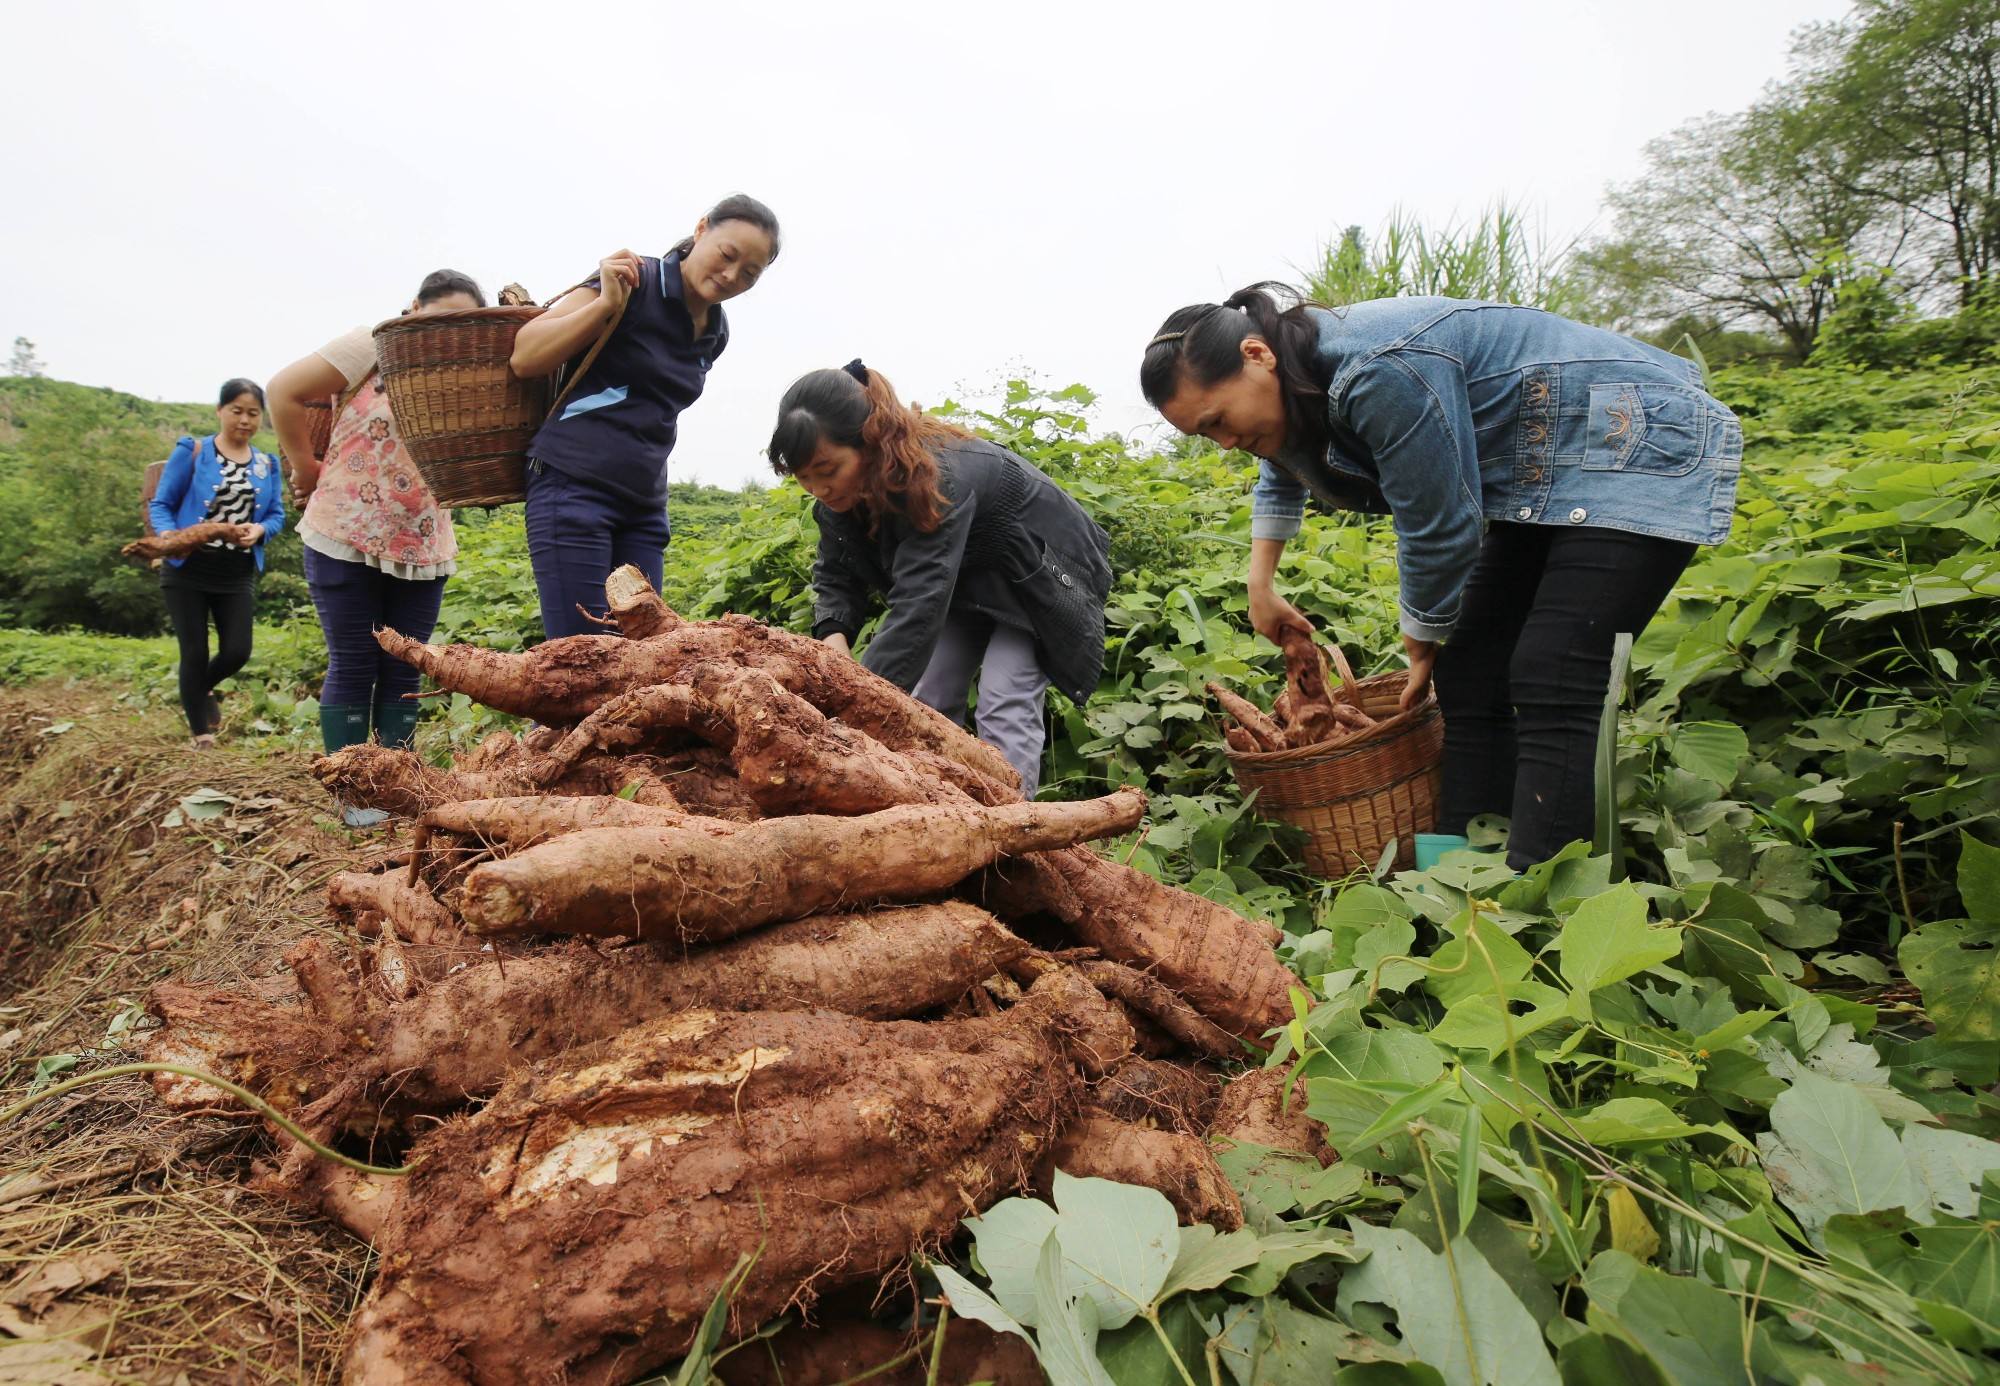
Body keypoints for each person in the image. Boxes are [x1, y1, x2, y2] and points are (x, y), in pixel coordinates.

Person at [1140, 286, 1743, 873]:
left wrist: (1421, 640)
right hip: (1540, 472)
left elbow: (1440, 527)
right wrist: (1260, 583)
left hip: (1633, 436)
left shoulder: (1378, 368)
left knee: (1554, 672)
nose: (1226, 442)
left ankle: (1541, 902)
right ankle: (1457, 877)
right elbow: (1281, 461)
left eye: (1219, 419)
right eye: (1205, 435)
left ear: (1255, 355)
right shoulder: (1290, 380)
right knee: (1472, 672)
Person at [767, 361, 1113, 796]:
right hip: (968, 581)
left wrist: (852, 707)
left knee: (1004, 699)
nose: (820, 489)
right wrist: (833, 634)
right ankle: (942, 807)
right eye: (804, 479)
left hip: (1040, 576)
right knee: (929, 694)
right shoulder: (840, 500)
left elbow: (918, 606)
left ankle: (1014, 830)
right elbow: (835, 574)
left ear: (868, 443)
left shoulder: (936, 477)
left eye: (828, 470)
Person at [268, 270, 485, 827]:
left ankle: (398, 792)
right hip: (345, 532)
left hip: (423, 543)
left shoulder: (464, 373)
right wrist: (304, 466)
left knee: (404, 666)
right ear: (413, 309)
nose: (446, 333)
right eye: (439, 318)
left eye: (462, 324)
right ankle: (353, 797)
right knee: (356, 661)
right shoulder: (370, 345)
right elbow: (283, 391)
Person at [509, 194, 780, 639]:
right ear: (701, 229)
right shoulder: (635, 280)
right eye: (727, 255)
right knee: (583, 662)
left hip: (644, 508)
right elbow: (525, 355)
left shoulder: (716, 330)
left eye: (749, 273)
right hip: (572, 487)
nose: (731, 276)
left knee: (643, 660)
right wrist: (604, 307)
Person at [148, 380, 287, 748]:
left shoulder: (266, 464)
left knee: (237, 651)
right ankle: (201, 734)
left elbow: (276, 514)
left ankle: (198, 689)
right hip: (187, 568)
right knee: (194, 650)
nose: (244, 420)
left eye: (253, 413)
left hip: (236, 571)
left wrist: (260, 530)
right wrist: (169, 538)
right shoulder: (193, 451)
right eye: (236, 411)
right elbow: (161, 504)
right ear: (220, 411)